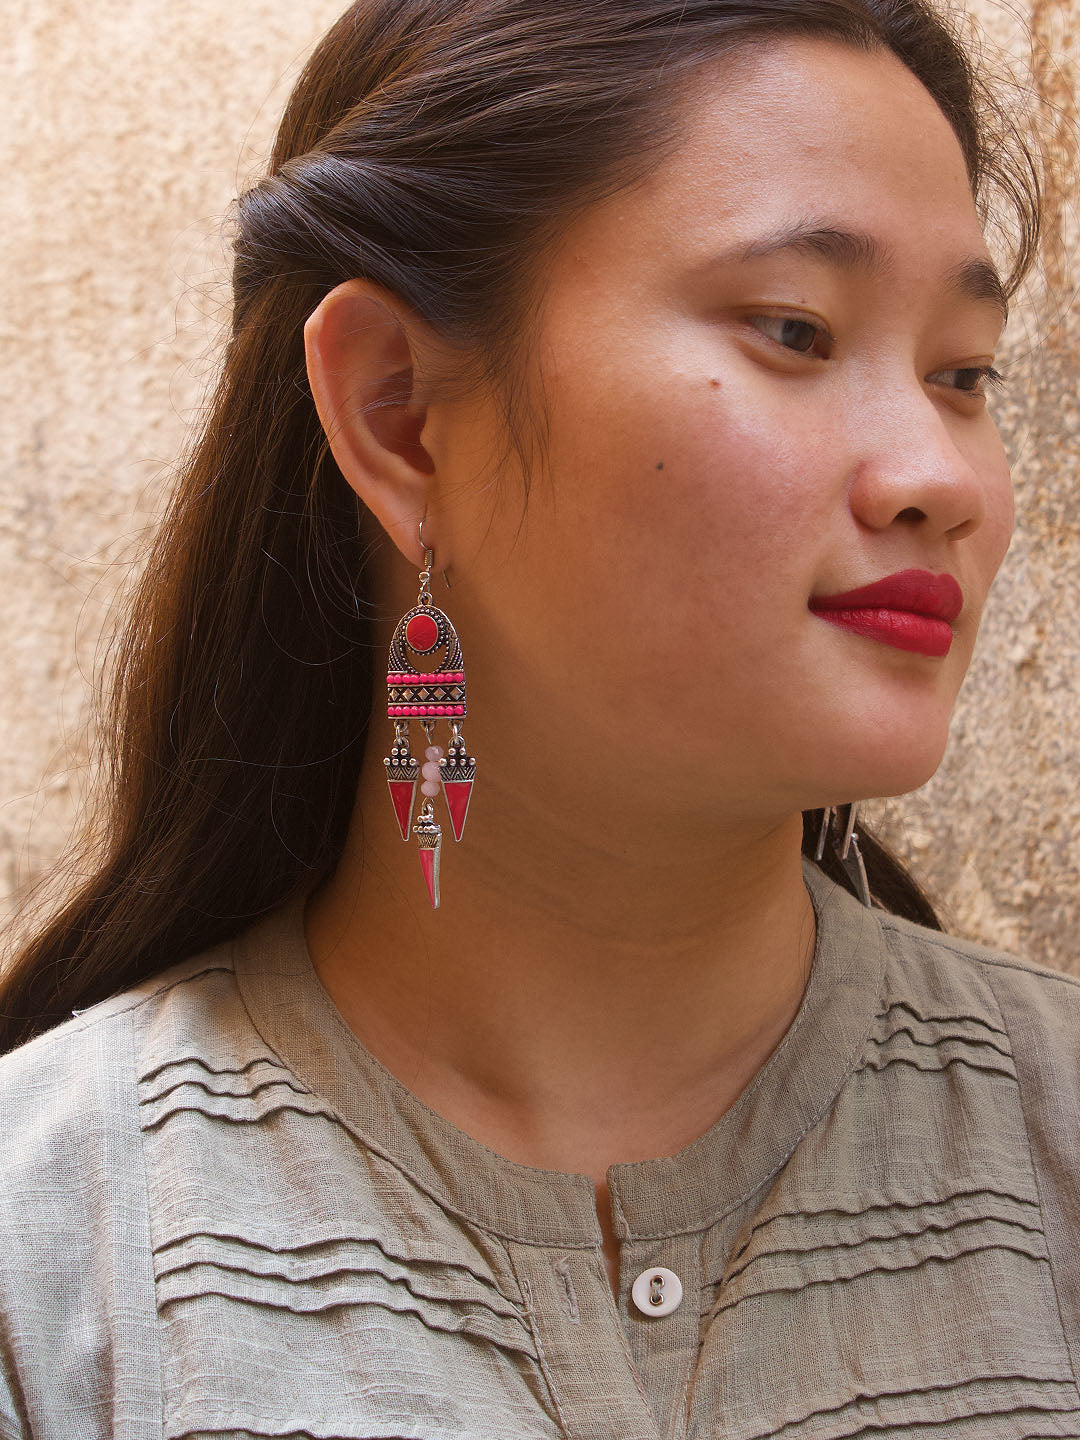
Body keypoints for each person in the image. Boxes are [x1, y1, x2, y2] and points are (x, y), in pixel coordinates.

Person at [1, 1, 1076, 1436]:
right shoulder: (52, 1262)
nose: (939, 475)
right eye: (797, 330)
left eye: (964, 374)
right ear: (400, 414)